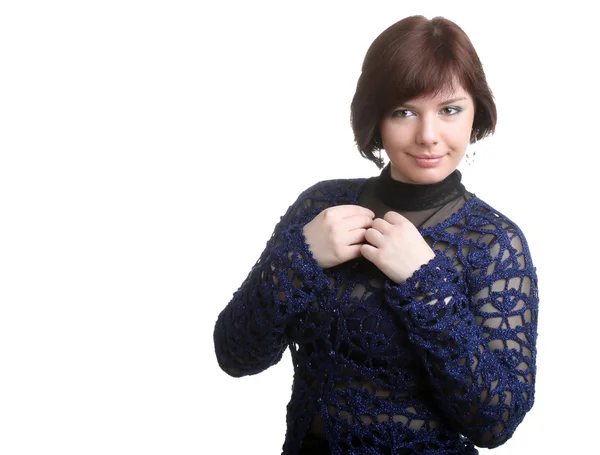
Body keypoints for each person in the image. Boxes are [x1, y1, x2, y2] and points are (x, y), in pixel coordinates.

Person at [213, 15, 539, 455]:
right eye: (404, 111)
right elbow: (236, 355)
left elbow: (496, 423)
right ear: (377, 118)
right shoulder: (321, 207)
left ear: (475, 111)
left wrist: (426, 283)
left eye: (449, 110)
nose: (428, 136)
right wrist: (299, 257)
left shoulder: (494, 243)